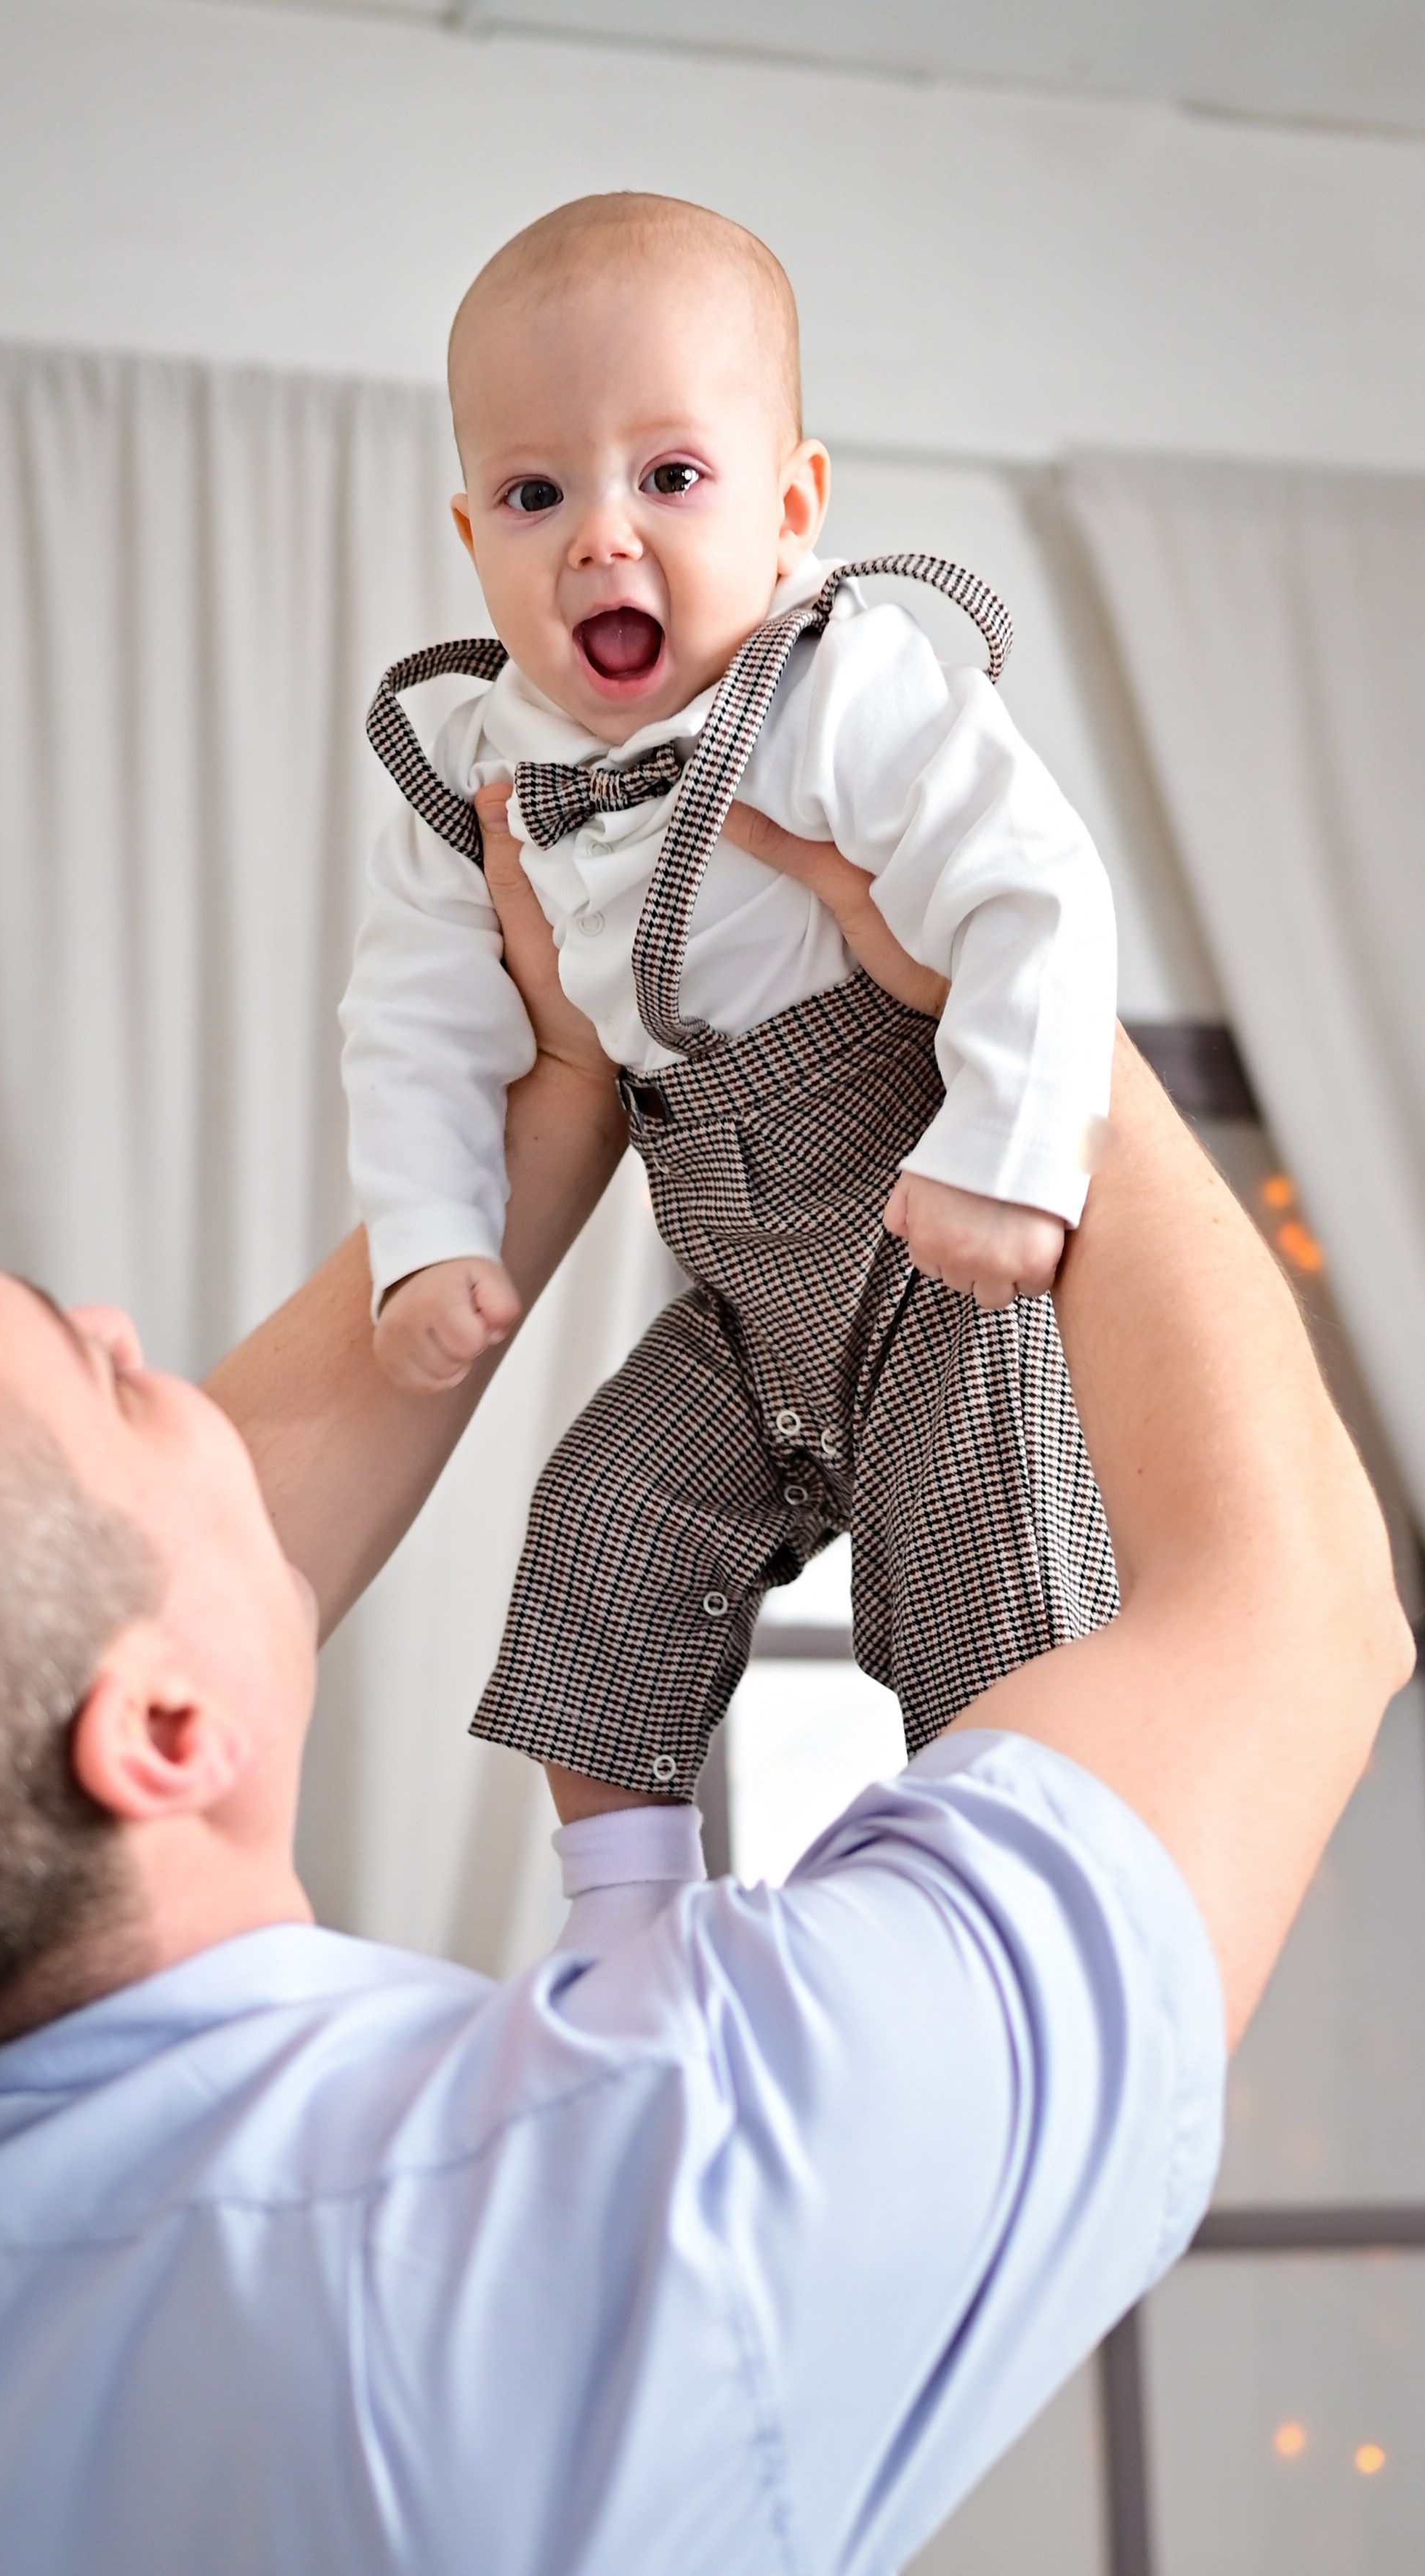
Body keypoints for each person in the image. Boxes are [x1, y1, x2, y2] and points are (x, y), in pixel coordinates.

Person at [0, 795, 1410, 2576]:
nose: (125, 1328)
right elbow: (1292, 1615)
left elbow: (22, 1631)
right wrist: (1012, 958)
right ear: (160, 1739)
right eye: (101, 1384)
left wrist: (549, 1099)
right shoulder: (646, 2189)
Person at [342, 192, 1120, 1800]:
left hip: (922, 1240)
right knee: (601, 1529)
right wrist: (430, 1233)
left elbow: (1033, 890)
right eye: (533, 490)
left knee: (996, 1596)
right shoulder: (481, 757)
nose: (600, 535)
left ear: (789, 507)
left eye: (670, 476)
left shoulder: (837, 679)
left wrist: (1004, 1154)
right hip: (734, 1278)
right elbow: (415, 1012)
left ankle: (1009, 1907)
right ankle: (624, 1936)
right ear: (468, 535)